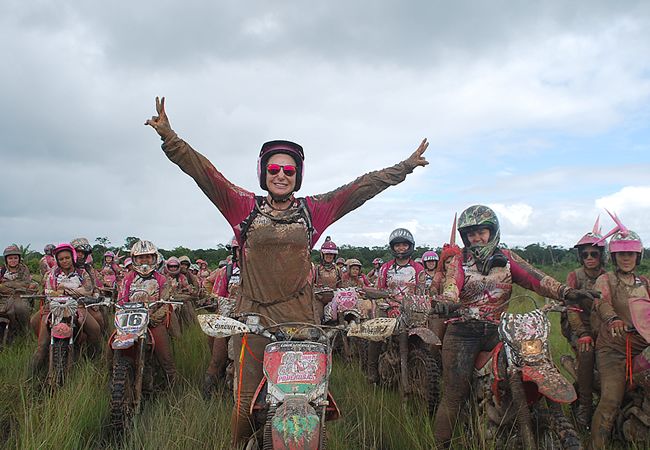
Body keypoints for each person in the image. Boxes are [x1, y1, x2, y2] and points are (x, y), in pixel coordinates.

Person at [146, 96, 429, 446]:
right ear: (264, 174)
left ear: (298, 176)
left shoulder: (313, 212)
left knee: (312, 406)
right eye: (274, 169)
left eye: (289, 170)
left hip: (302, 326)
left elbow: (360, 189)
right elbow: (205, 174)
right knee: (245, 408)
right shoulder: (243, 207)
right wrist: (169, 137)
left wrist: (405, 166)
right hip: (253, 322)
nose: (281, 175)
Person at [432, 205, 599, 447]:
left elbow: (536, 278)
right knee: (454, 394)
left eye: (482, 231)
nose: (476, 238)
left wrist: (566, 291)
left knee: (535, 364)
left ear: (493, 231)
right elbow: (452, 284)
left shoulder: (507, 258)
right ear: (464, 237)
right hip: (463, 330)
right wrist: (447, 301)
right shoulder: (459, 260)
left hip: (501, 328)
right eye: (471, 234)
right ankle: (441, 443)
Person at [591, 217, 649, 449]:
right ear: (613, 257)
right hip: (614, 348)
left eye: (631, 254)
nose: (626, 258)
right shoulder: (606, 279)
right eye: (621, 254)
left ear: (638, 256)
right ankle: (597, 445)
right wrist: (612, 319)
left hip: (642, 345)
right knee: (610, 401)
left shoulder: (644, 281)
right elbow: (601, 302)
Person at [561, 218, 606, 427]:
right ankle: (585, 406)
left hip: (602, 325)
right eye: (585, 254)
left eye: (594, 254)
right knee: (587, 353)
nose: (589, 258)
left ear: (601, 256)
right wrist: (582, 333)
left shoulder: (608, 277)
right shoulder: (575, 276)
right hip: (578, 324)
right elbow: (571, 309)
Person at [30, 243, 101, 374]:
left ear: (72, 257)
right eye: (61, 259)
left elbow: (88, 290)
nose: (64, 261)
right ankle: (31, 377)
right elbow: (48, 290)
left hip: (77, 307)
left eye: (67, 258)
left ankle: (92, 361)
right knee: (41, 345)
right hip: (54, 308)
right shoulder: (53, 273)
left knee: (95, 330)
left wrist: (65, 290)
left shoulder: (82, 272)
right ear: (57, 260)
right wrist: (62, 292)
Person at [367, 228, 424, 383]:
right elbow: (379, 289)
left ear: (410, 246)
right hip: (388, 306)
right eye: (397, 245)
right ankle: (372, 370)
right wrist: (384, 301)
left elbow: (422, 291)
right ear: (392, 247)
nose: (401, 248)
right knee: (377, 333)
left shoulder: (418, 268)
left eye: (404, 245)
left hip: (412, 309)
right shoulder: (385, 267)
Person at [117, 240, 176, 386]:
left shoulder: (162, 279)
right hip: (129, 322)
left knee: (165, 355)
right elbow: (121, 300)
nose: (144, 261)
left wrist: (154, 317)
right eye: (140, 257)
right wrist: (120, 311)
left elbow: (166, 303)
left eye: (148, 257)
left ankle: (172, 384)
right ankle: (112, 376)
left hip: (153, 321)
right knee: (112, 346)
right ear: (134, 259)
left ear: (154, 258)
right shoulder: (128, 278)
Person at [203, 237, 242, 397]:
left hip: (251, 323)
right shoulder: (226, 271)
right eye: (240, 249)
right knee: (217, 360)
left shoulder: (260, 272)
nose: (244, 253)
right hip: (227, 321)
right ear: (234, 251)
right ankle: (207, 396)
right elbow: (217, 296)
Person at [0, 245, 35, 335]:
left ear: (19, 258)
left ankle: (25, 332)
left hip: (21, 296)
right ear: (6, 259)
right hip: (4, 298)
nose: (13, 260)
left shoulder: (24, 269)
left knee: (20, 308)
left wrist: (8, 284)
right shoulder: (2, 270)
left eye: (15, 258)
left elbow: (25, 284)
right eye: (10, 258)